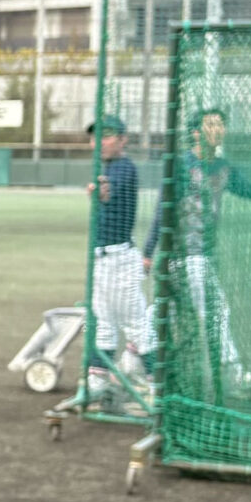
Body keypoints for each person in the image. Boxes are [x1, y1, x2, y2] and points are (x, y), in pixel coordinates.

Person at [158, 106, 251, 392]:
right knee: (216, 311)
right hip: (186, 256)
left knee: (165, 313)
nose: (218, 130)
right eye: (211, 124)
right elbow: (162, 210)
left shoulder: (222, 168)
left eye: (221, 125)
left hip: (198, 257)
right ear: (195, 133)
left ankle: (133, 363)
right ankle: (235, 376)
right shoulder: (183, 166)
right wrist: (151, 253)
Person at [78, 114, 155, 414]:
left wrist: (102, 191)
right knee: (102, 324)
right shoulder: (107, 167)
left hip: (120, 261)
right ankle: (98, 384)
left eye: (107, 135)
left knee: (137, 326)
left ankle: (157, 391)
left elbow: (111, 188)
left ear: (123, 140)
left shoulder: (123, 167)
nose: (99, 142)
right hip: (105, 260)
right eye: (95, 136)